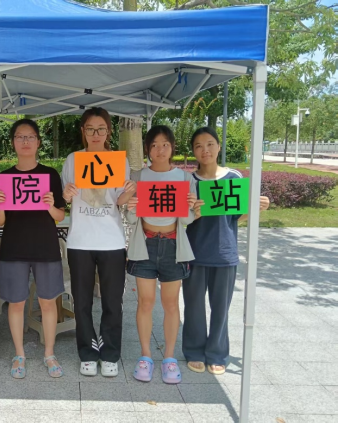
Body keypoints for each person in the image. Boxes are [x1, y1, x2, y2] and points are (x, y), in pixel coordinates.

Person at [183, 127, 270, 375]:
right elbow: (181, 217)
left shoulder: (234, 177)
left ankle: (217, 354)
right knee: (193, 306)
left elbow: (237, 216)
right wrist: (192, 212)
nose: (205, 150)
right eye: (199, 146)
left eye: (210, 144)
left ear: (219, 146)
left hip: (225, 253)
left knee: (221, 308)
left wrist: (256, 207)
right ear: (193, 151)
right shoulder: (188, 181)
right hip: (194, 253)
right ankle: (194, 351)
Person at [62, 107, 135, 378]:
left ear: (108, 131)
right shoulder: (73, 160)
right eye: (90, 129)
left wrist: (128, 193)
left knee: (112, 301)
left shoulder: (119, 161)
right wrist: (66, 193)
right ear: (83, 131)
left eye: (101, 128)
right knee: (81, 302)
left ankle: (110, 352)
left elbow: (118, 201)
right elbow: (65, 197)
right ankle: (87, 352)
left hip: (111, 240)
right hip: (80, 240)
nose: (96, 134)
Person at [0, 119, 66, 379]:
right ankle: (19, 354)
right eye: (20, 137)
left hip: (45, 247)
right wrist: (0, 205)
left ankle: (49, 353)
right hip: (13, 248)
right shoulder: (4, 177)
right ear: (13, 142)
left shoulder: (50, 175)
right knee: (16, 303)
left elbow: (60, 215)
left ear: (38, 142)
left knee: (48, 302)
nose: (25, 141)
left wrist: (49, 206)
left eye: (30, 137)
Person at [126, 126, 197, 384]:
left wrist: (191, 207)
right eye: (154, 145)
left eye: (165, 144)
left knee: (170, 304)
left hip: (173, 246)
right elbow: (131, 217)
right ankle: (145, 356)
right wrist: (131, 206)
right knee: (145, 302)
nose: (159, 150)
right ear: (148, 148)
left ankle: (169, 358)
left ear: (172, 147)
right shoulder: (138, 176)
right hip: (145, 244)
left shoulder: (184, 178)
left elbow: (187, 219)